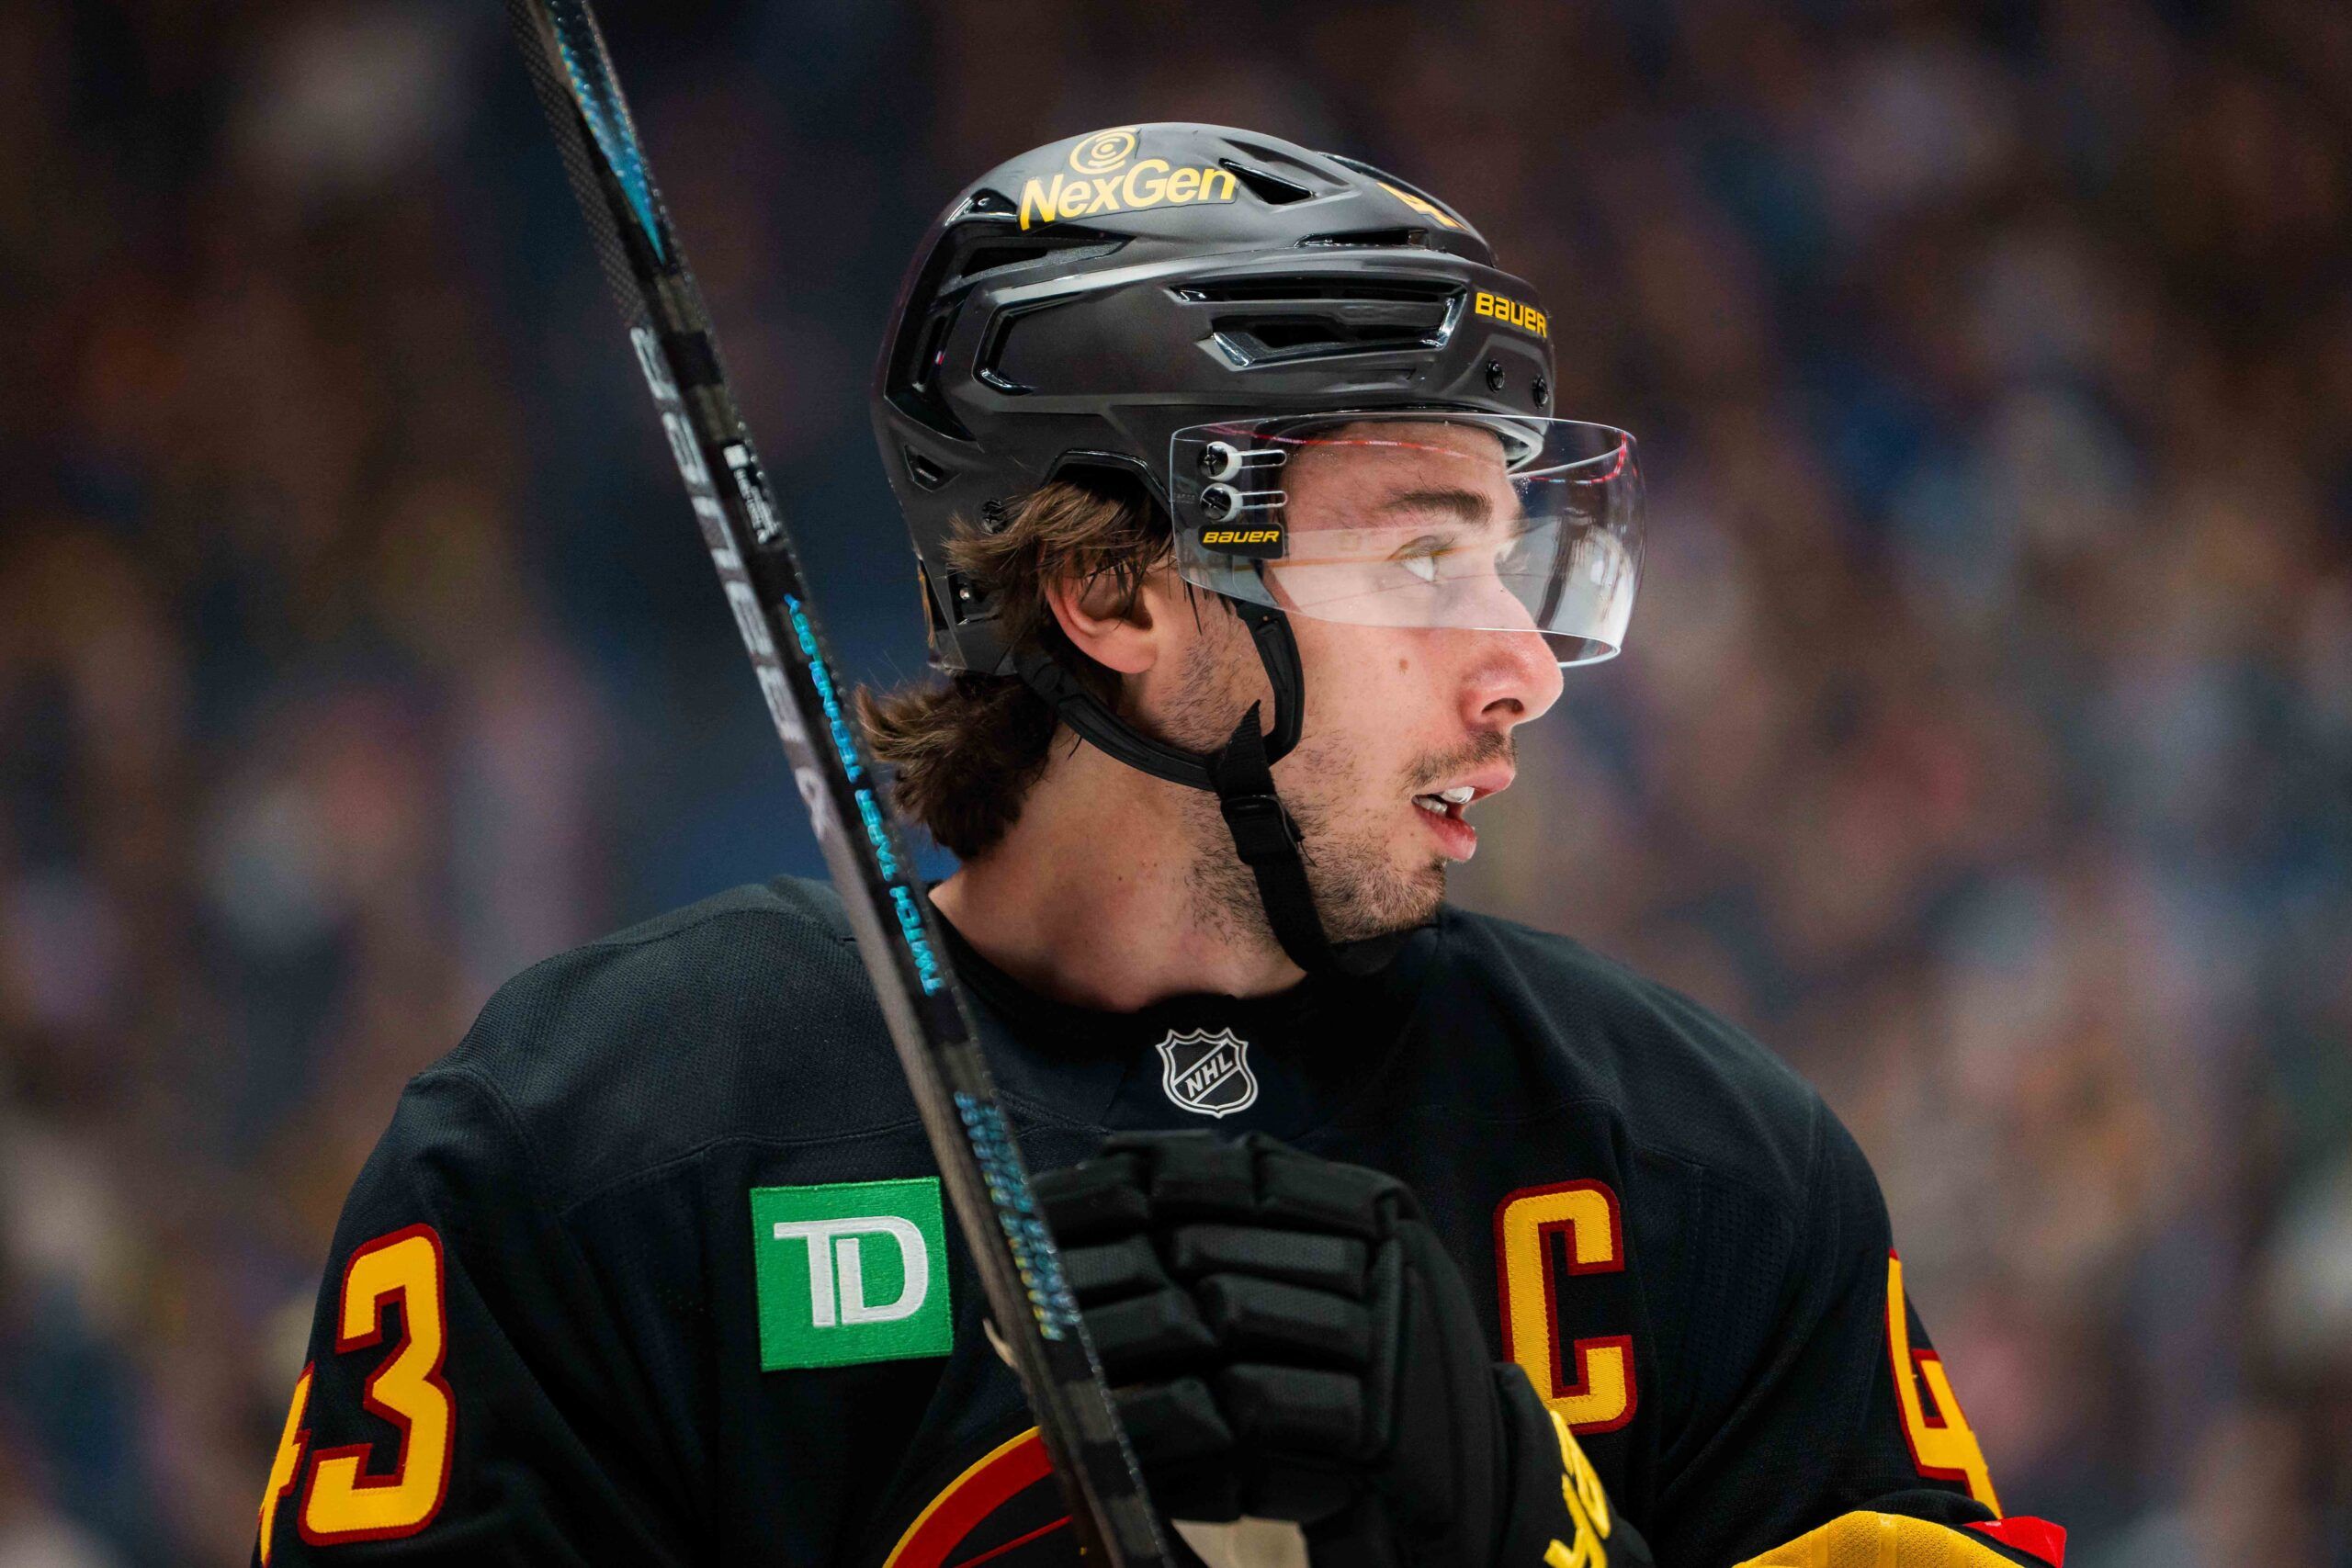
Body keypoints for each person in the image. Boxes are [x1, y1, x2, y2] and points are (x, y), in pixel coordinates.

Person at [252, 125, 2064, 1568]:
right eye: (1424, 554)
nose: (1518, 664)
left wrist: (1545, 1539)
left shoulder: (1700, 1166)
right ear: (1113, 586)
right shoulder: (590, 1154)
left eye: (1512, 559)